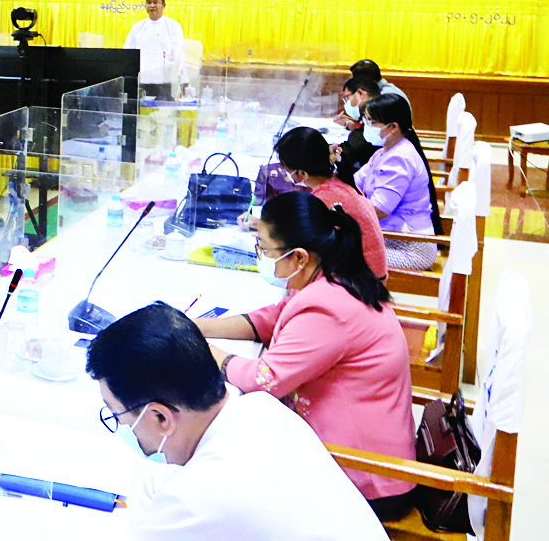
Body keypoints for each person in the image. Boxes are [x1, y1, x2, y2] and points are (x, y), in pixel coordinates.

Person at [195, 192, 415, 516]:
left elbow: (263, 379)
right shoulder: (330, 276)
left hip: (365, 477)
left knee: (222, 482)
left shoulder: (328, 307)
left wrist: (202, 348)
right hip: (362, 454)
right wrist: (198, 326)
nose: (260, 256)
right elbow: (273, 318)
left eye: (263, 248)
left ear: (298, 257)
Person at [87, 302, 386, 541]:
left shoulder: (198, 497)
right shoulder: (262, 408)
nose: (123, 429)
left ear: (161, 417)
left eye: (117, 415)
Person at [274, 126, 387, 278]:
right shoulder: (338, 182)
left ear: (302, 173)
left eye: (287, 169)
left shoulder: (326, 197)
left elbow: (300, 238)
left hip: (363, 282)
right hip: (370, 275)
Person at [355, 93, 440, 271]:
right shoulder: (382, 152)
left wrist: (346, 208)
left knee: (340, 256)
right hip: (390, 237)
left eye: (371, 122)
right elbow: (354, 183)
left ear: (393, 127)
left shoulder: (400, 158)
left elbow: (379, 209)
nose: (366, 126)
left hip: (411, 247)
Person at [123, 0, 185, 100]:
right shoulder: (138, 27)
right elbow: (127, 54)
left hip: (164, 83)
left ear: (164, 5)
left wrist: (180, 82)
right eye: (149, 2)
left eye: (156, 2)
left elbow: (178, 56)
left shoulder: (173, 26)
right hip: (141, 80)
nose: (152, 6)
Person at [333, 76, 380, 189]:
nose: (346, 103)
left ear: (360, 93)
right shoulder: (376, 111)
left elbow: (351, 149)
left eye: (347, 98)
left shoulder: (378, 115)